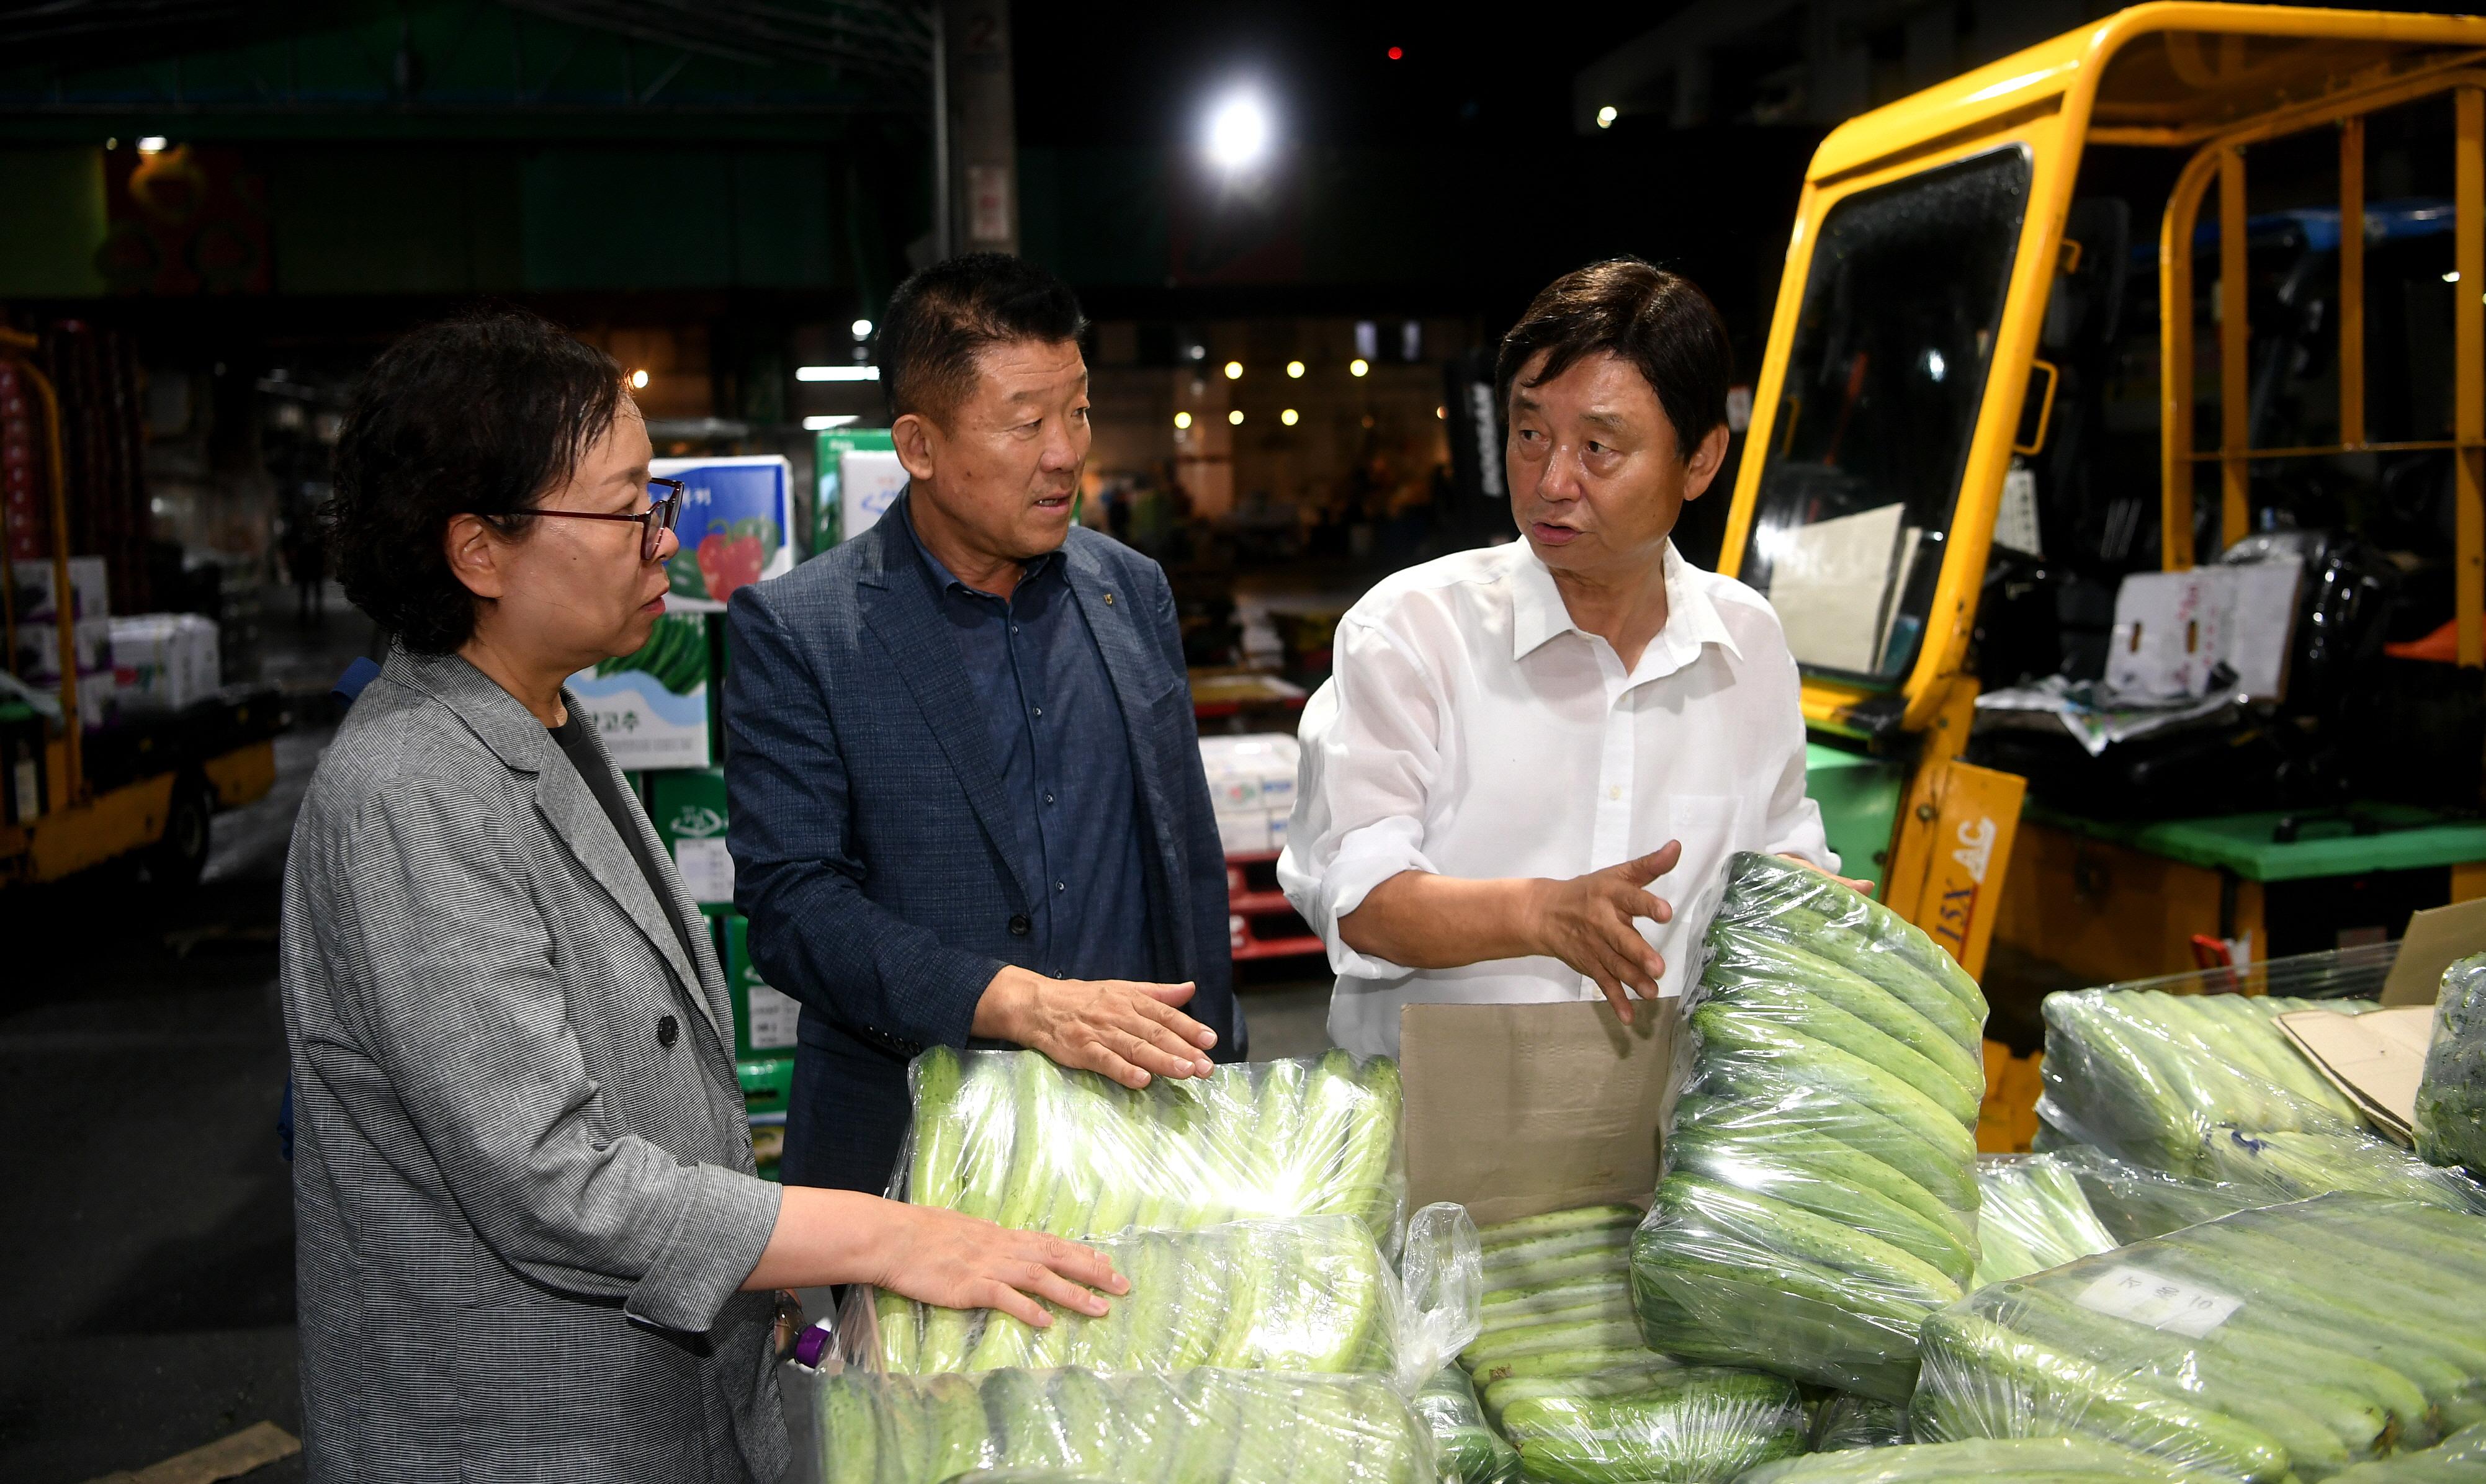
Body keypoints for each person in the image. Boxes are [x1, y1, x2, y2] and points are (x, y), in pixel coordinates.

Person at [283, 313, 1121, 1483]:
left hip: (648, 1404)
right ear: (479, 552)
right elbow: (549, 1178)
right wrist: (887, 1234)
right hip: (520, 1425)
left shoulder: (542, 721)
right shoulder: (411, 791)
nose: (661, 543)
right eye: (627, 509)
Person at [725, 254, 1242, 1196]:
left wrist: (1226, 1083)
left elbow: (1185, 863)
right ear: (917, 446)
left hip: (1142, 1141)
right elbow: (796, 910)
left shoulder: (1132, 591)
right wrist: (1019, 1005)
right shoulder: (803, 629)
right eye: (1024, 422)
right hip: (914, 1152)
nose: (1064, 453)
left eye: (1076, 410)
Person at [1278, 259, 1844, 1060]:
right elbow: (1359, 899)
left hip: (1665, 1134)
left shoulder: (1745, 641)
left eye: (1598, 448)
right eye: (1530, 434)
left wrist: (1809, 901)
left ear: (1701, 461)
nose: (1551, 481)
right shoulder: (1410, 630)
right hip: (1437, 1136)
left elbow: (1782, 848)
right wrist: (1539, 915)